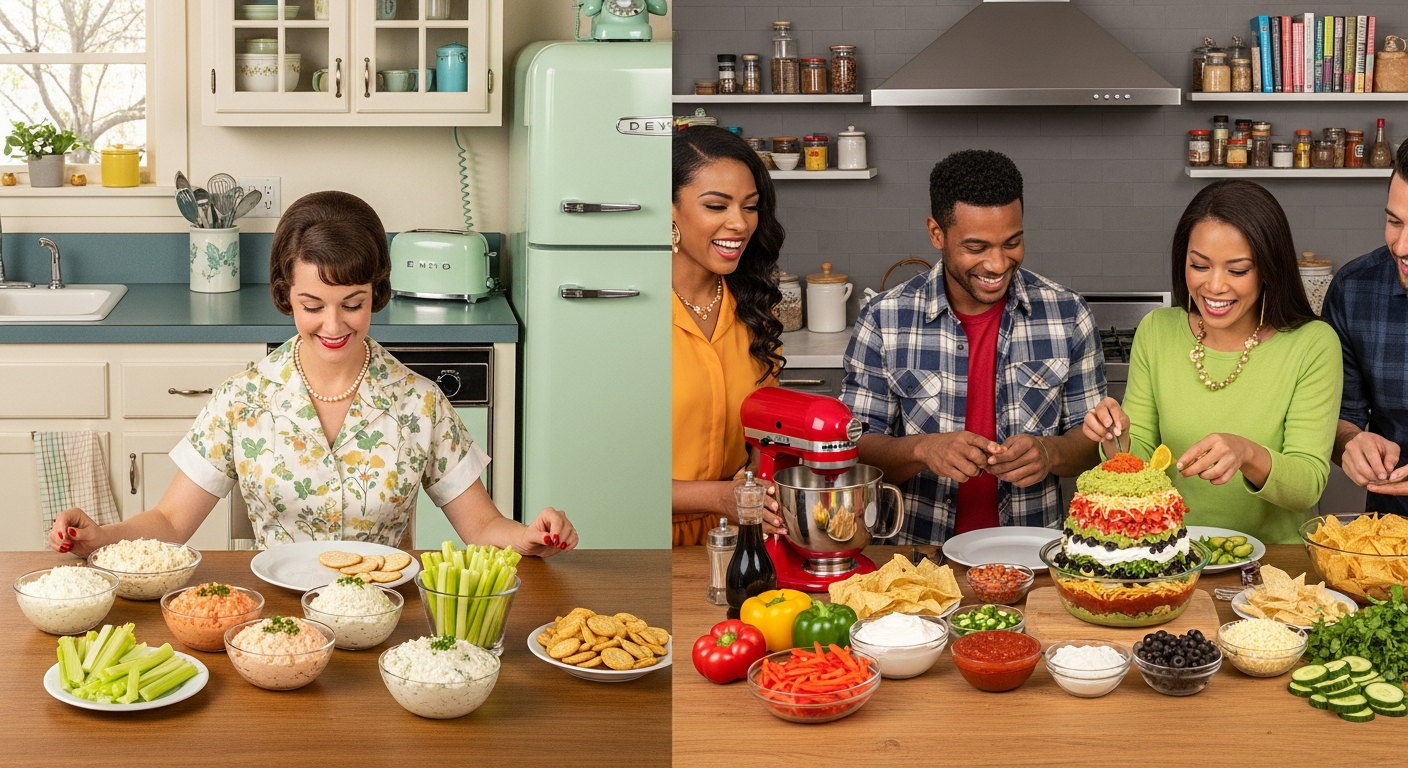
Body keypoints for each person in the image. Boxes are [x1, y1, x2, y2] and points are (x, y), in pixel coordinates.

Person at [51, 191, 576, 557]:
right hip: (274, 626)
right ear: (285, 295)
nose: (332, 325)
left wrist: (531, 536)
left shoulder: (421, 404)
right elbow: (168, 523)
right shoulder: (242, 399)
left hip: (383, 618)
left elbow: (482, 526)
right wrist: (102, 536)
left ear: (377, 294)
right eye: (311, 304)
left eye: (352, 304)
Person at [842, 149, 1105, 545]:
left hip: (1033, 557)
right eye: (977, 248)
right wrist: (922, 450)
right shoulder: (884, 319)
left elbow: (1093, 446)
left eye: (1012, 242)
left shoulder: (1067, 313)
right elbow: (851, 451)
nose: (998, 264)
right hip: (918, 560)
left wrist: (1049, 453)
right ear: (936, 234)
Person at [1083, 180, 1342, 544]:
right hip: (1171, 553)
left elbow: (1307, 486)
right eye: (1199, 265)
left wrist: (1247, 453)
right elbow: (1138, 462)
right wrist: (1116, 438)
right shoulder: (1157, 331)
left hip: (1275, 564)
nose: (1215, 286)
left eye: (1237, 270)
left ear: (1268, 268)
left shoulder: (1312, 344)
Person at [671, 126, 786, 546]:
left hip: (739, 542)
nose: (739, 223)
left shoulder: (754, 309)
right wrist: (720, 496)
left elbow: (762, 436)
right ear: (669, 210)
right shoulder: (630, 315)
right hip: (644, 542)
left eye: (750, 206)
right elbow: (606, 472)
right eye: (716, 205)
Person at [1325, 139, 1408, 514]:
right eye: (1394, 222)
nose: (1402, 246)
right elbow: (1342, 417)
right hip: (1390, 540)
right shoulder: (1354, 290)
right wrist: (1352, 443)